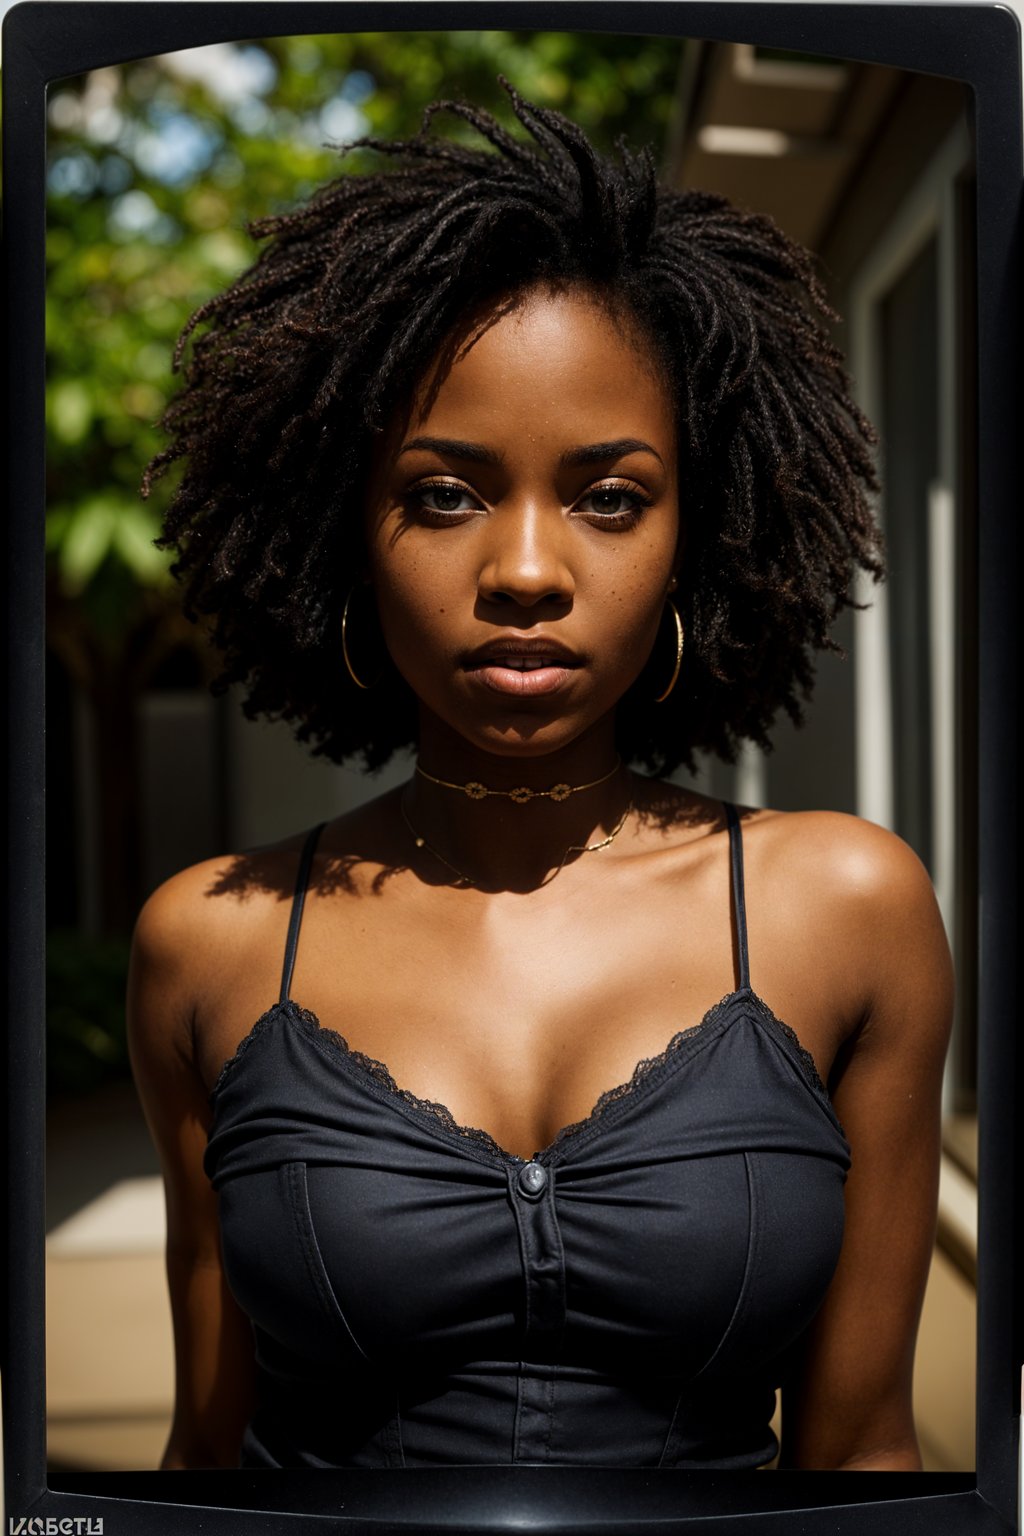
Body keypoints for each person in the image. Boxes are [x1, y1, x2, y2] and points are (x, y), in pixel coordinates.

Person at [128, 84, 953, 1472]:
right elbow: (208, 1453)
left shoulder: (847, 908)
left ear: (702, 532)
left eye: (609, 497)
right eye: (443, 495)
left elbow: (863, 1447)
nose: (523, 570)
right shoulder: (210, 944)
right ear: (347, 538)